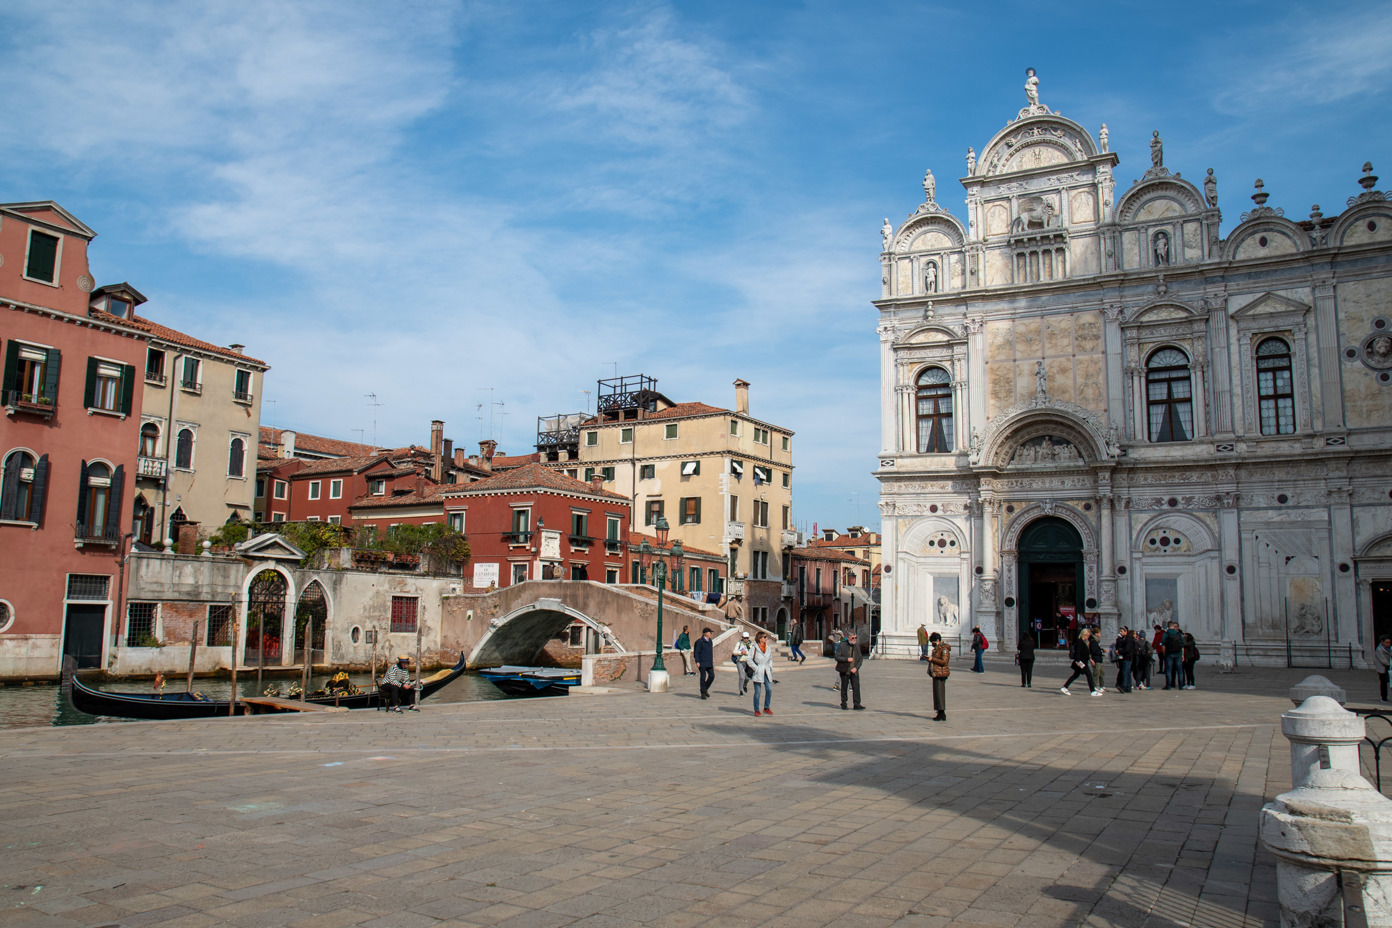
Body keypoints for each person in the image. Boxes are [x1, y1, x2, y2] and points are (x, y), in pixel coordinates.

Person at [1060, 629, 1100, 696]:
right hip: (1081, 662)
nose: (1088, 637)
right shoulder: (1080, 642)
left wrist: (1090, 659)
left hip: (1083, 661)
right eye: (1087, 635)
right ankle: (1093, 691)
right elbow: (1078, 653)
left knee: (1076, 675)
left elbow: (1085, 653)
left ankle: (1065, 687)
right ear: (1084, 635)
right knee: (1089, 675)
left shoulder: (1083, 642)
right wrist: (1078, 661)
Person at [747, 630, 776, 716]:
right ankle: (756, 710)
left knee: (769, 689)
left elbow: (770, 658)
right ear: (760, 639)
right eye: (764, 637)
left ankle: (766, 707)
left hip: (766, 670)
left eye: (766, 637)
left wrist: (770, 666)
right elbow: (749, 659)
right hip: (758, 670)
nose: (766, 638)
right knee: (758, 691)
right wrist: (756, 668)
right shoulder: (754, 648)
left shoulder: (768, 647)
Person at [835, 631, 865, 710]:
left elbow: (860, 659)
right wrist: (846, 659)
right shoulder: (842, 645)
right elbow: (837, 657)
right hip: (845, 670)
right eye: (853, 638)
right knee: (844, 687)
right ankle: (844, 703)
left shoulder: (857, 646)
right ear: (848, 638)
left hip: (854, 670)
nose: (854, 639)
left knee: (856, 687)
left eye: (855, 638)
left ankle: (857, 704)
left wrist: (856, 668)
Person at [928, 632, 950, 721]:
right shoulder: (937, 649)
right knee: (936, 693)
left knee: (940, 693)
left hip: (941, 673)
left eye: (933, 642)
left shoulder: (944, 649)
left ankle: (942, 712)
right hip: (936, 673)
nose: (932, 644)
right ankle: (939, 711)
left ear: (937, 640)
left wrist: (932, 659)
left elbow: (944, 661)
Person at [1161, 621, 1185, 690]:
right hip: (1178, 654)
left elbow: (1163, 645)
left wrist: (1164, 654)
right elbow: (1182, 645)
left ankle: (1168, 686)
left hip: (1169, 654)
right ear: (1173, 626)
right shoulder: (1179, 634)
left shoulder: (1166, 634)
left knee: (1168, 670)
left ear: (1168, 626)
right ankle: (1181, 686)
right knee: (1180, 671)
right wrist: (1183, 655)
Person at [693, 628, 715, 699]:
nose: (710, 634)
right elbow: (697, 652)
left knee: (712, 676)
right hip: (702, 662)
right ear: (705, 633)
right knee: (703, 677)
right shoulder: (700, 641)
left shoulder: (710, 641)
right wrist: (697, 661)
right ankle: (703, 692)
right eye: (709, 632)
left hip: (709, 662)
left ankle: (705, 688)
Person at [1117, 629, 1138, 693]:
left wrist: (1119, 651)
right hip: (1129, 658)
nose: (1120, 633)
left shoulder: (1128, 639)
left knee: (1125, 673)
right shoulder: (1129, 639)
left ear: (1126, 632)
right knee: (1127, 673)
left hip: (1126, 658)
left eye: (1121, 631)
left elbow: (1127, 649)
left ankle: (1124, 686)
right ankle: (1128, 687)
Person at [732, 631, 752, 697]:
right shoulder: (739, 643)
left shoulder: (750, 644)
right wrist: (741, 653)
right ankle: (740, 690)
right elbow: (734, 652)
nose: (746, 639)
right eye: (744, 638)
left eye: (747, 638)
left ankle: (745, 685)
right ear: (742, 638)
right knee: (741, 676)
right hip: (740, 661)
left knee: (748, 677)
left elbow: (752, 653)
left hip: (747, 662)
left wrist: (746, 652)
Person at [1377, 636, 1392, 703]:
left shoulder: (1390, 649)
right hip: (1382, 668)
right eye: (1387, 642)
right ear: (1382, 642)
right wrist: (1389, 664)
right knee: (1383, 683)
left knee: (1389, 683)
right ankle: (1384, 697)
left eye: (1389, 642)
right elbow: (1382, 659)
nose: (1388, 644)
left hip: (1388, 668)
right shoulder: (1379, 649)